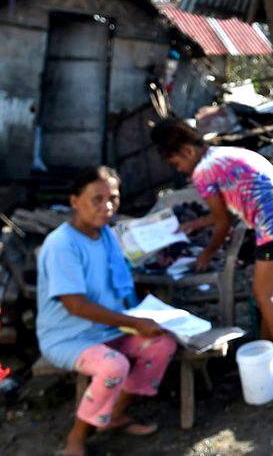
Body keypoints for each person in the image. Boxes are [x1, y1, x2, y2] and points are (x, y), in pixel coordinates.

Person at [150, 119, 273, 382]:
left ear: (187, 152)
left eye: (176, 164)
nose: (180, 169)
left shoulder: (202, 172)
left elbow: (223, 223)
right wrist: (197, 223)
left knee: (265, 295)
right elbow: (222, 214)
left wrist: (207, 253)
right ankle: (266, 353)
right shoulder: (224, 153)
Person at [36, 167, 177, 456]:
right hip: (69, 337)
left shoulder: (107, 235)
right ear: (75, 201)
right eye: (96, 199)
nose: (107, 206)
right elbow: (74, 305)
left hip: (109, 329)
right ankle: (76, 438)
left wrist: (146, 316)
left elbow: (120, 283)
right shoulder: (62, 244)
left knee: (162, 345)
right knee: (114, 366)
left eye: (113, 198)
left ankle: (115, 415)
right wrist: (133, 322)